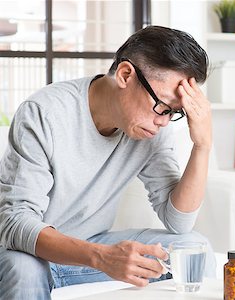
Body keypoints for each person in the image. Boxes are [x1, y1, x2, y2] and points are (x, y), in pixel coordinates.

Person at [0, 25, 215, 299]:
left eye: (174, 112)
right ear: (126, 75)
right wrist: (101, 258)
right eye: (162, 106)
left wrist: (203, 144)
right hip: (27, 253)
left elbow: (179, 223)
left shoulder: (151, 130)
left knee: (193, 246)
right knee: (24, 270)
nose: (163, 120)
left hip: (89, 248)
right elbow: (15, 222)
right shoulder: (45, 113)